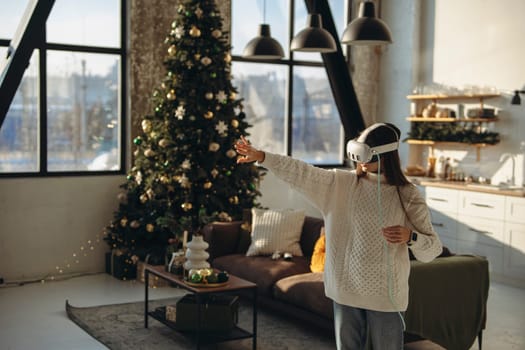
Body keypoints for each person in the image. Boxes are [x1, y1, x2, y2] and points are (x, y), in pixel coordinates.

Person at [234, 122, 443, 350]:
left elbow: (432, 250)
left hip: (386, 298)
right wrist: (263, 157)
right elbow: (301, 172)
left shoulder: (407, 195)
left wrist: (410, 237)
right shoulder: (340, 185)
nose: (359, 161)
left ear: (385, 155)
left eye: (366, 155)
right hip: (345, 292)